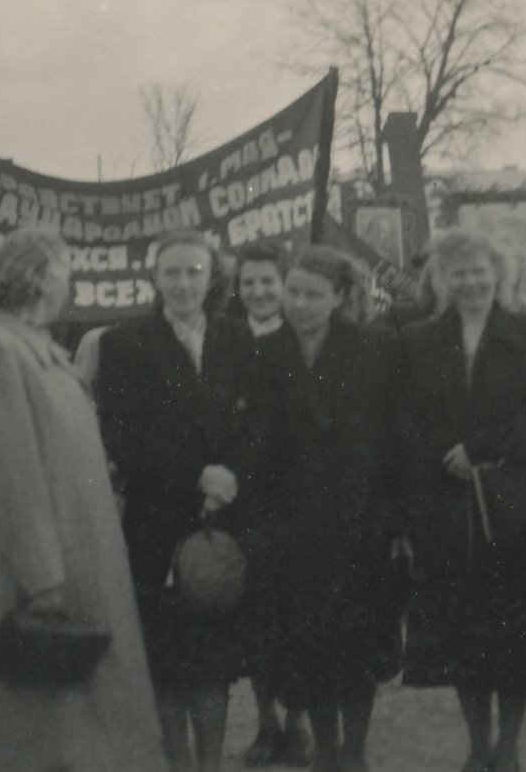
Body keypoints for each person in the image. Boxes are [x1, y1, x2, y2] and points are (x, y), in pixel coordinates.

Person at [0, 229, 163, 770]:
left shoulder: (38, 345)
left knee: (80, 722)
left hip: (80, 556)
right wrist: (41, 578)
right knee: (47, 726)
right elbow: (9, 475)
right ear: (39, 278)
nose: (71, 284)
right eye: (66, 271)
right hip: (47, 575)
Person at [399, 229, 526, 772]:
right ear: (442, 282)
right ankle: (477, 749)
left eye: (480, 272)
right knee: (464, 640)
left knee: (516, 641)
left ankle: (509, 750)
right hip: (447, 508)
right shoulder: (418, 339)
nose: (471, 282)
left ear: (499, 276)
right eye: (459, 273)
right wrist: (443, 456)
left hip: (512, 506)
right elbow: (407, 418)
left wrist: (477, 450)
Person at [96, 230, 257, 772]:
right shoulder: (123, 344)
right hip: (158, 526)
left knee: (214, 664)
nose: (184, 283)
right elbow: (121, 435)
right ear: (155, 280)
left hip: (224, 525)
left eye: (194, 271)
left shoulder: (238, 338)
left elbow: (257, 424)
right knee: (166, 662)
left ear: (211, 278)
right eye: (172, 273)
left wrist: (229, 478)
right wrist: (196, 475)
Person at [252, 246, 402, 772]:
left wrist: (391, 517)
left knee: (356, 649)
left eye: (313, 295)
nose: (299, 304)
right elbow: (257, 444)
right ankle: (327, 752)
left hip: (362, 524)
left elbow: (394, 437)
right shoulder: (267, 353)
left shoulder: (377, 347)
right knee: (309, 646)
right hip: (293, 528)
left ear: (339, 297)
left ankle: (355, 753)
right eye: (292, 292)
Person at [227, 242, 313, 768]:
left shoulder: (303, 340)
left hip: (296, 501)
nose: (258, 292)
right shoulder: (225, 341)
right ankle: (265, 723)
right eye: (249, 283)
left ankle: (299, 723)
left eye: (268, 282)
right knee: (254, 616)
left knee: (297, 614)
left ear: (284, 286)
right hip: (244, 500)